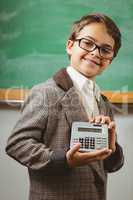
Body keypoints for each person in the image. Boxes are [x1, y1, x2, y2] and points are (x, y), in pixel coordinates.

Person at [6, 13, 124, 200]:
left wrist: (112, 149)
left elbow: (105, 163)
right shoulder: (46, 92)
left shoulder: (103, 102)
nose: (95, 53)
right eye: (87, 43)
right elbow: (17, 144)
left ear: (109, 61)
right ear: (70, 46)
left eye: (105, 49)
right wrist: (65, 159)